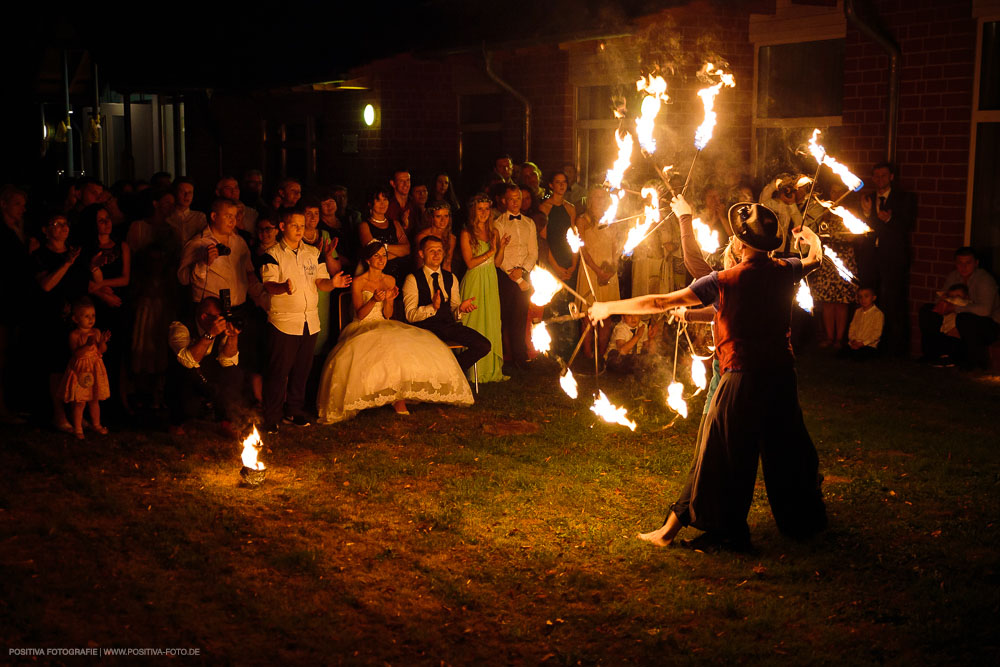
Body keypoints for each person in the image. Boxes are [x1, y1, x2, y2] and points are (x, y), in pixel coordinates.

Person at [590, 202, 827, 550]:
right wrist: (811, 239)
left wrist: (608, 307)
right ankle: (803, 523)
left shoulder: (723, 280)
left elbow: (660, 302)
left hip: (741, 379)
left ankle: (725, 530)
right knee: (787, 449)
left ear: (741, 246)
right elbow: (815, 260)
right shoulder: (785, 269)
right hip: (781, 377)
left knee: (724, 454)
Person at [316, 241, 474, 422]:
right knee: (371, 349)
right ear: (368, 260)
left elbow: (388, 314)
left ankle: (399, 398)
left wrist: (389, 300)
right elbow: (359, 314)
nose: (381, 259)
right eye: (377, 256)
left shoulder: (389, 280)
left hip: (384, 323)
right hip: (362, 325)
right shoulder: (359, 281)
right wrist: (374, 300)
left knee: (403, 345)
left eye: (384, 255)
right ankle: (370, 395)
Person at [260, 208, 351, 432]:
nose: (300, 229)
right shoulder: (272, 254)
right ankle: (271, 416)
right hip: (284, 322)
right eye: (295, 225)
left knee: (302, 370)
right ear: (282, 227)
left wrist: (333, 284)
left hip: (310, 320)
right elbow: (268, 284)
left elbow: (321, 282)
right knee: (279, 372)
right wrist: (283, 287)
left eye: (302, 225)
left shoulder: (313, 252)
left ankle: (294, 411)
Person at [33, 212, 94, 430]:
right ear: (45, 230)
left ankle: (76, 412)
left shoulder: (75, 252)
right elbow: (47, 285)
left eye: (65, 223)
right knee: (57, 367)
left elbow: (83, 283)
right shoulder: (40, 256)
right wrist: (66, 263)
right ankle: (58, 414)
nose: (63, 228)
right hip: (53, 317)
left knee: (77, 365)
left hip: (76, 319)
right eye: (57, 224)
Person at [403, 236, 491, 375]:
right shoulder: (412, 279)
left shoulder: (451, 278)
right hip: (425, 329)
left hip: (448, 327)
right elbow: (410, 316)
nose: (436, 254)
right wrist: (432, 307)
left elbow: (454, 310)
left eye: (439, 250)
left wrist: (460, 309)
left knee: (484, 345)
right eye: (432, 250)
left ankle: (449, 372)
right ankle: (447, 375)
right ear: (421, 254)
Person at [166, 297, 243, 437]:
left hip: (208, 373)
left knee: (233, 373)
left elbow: (228, 360)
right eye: (218, 318)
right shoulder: (180, 327)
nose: (221, 321)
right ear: (204, 316)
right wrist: (210, 334)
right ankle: (177, 422)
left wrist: (233, 336)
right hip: (183, 377)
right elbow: (188, 361)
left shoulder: (220, 327)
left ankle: (226, 422)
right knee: (185, 379)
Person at [861, 162, 916, 357]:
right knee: (873, 300)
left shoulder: (903, 198)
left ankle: (897, 349)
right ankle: (873, 344)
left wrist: (889, 220)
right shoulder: (869, 198)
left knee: (894, 301)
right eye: (876, 176)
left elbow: (907, 224)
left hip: (893, 258)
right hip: (873, 258)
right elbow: (865, 229)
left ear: (891, 177)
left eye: (884, 176)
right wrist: (867, 214)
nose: (879, 180)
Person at [918, 247, 1000, 370]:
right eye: (960, 263)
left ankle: (972, 361)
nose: (963, 267)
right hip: (956, 318)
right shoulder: (953, 277)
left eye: (968, 263)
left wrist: (955, 308)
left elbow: (985, 310)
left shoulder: (984, 280)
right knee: (927, 311)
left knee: (964, 319)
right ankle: (932, 354)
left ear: (976, 263)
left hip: (988, 324)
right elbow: (940, 299)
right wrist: (942, 305)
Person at [459, 194, 509, 383]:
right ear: (474, 211)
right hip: (475, 280)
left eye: (487, 209)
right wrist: (490, 251)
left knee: (491, 320)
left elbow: (496, 263)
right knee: (475, 321)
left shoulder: (494, 232)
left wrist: (501, 248)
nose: (484, 213)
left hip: (490, 278)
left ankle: (492, 369)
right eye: (480, 209)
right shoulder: (467, 233)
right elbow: (470, 263)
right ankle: (472, 371)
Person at [493, 184, 538, 370]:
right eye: (511, 199)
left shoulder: (529, 223)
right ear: (504, 200)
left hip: (524, 274)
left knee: (521, 316)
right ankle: (503, 356)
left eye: (517, 198)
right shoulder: (499, 223)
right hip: (506, 275)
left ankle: (520, 356)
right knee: (504, 316)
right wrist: (513, 274)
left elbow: (533, 252)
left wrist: (523, 271)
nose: (515, 202)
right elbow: (498, 254)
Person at [575, 186, 621, 360]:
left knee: (606, 315)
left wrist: (611, 269)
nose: (600, 200)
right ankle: (587, 354)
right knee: (588, 315)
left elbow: (616, 248)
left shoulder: (611, 220)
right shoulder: (583, 220)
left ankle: (601, 354)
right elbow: (583, 249)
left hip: (608, 271)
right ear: (590, 200)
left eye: (603, 197)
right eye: (596, 197)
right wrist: (597, 270)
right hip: (590, 270)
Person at [61, 297, 111, 439]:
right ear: (76, 319)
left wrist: (102, 342)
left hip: (95, 368)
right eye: (86, 316)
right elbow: (76, 353)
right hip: (81, 370)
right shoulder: (75, 335)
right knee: (80, 400)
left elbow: (101, 351)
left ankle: (96, 424)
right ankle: (78, 427)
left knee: (94, 399)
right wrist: (87, 345)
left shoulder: (95, 332)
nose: (91, 319)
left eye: (93, 315)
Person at [359, 186, 410, 318]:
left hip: (398, 275)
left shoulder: (395, 224)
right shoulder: (364, 225)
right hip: (376, 277)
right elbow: (372, 252)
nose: (383, 204)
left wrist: (384, 248)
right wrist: (396, 250)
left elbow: (407, 249)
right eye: (378, 200)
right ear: (370, 203)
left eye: (385, 199)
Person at [840, 286, 884, 361]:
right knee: (842, 353)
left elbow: (877, 334)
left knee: (861, 355)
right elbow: (852, 327)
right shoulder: (857, 312)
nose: (863, 299)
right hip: (855, 343)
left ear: (873, 298)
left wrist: (863, 343)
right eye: (860, 297)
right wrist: (853, 340)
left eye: (866, 296)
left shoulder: (878, 314)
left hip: (868, 345)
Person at [414, 202, 457, 273]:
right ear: (431, 217)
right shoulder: (422, 236)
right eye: (438, 216)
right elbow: (419, 264)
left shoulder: (451, 238)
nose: (443, 220)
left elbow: (447, 263)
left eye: (446, 216)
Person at [168, 178, 207, 245]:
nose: (187, 195)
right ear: (175, 193)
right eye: (182, 192)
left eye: (190, 192)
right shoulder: (167, 217)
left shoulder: (199, 217)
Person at [386, 169, 420, 238]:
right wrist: (403, 225)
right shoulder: (386, 204)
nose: (406, 184)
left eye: (408, 180)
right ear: (393, 183)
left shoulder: (414, 203)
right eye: (401, 181)